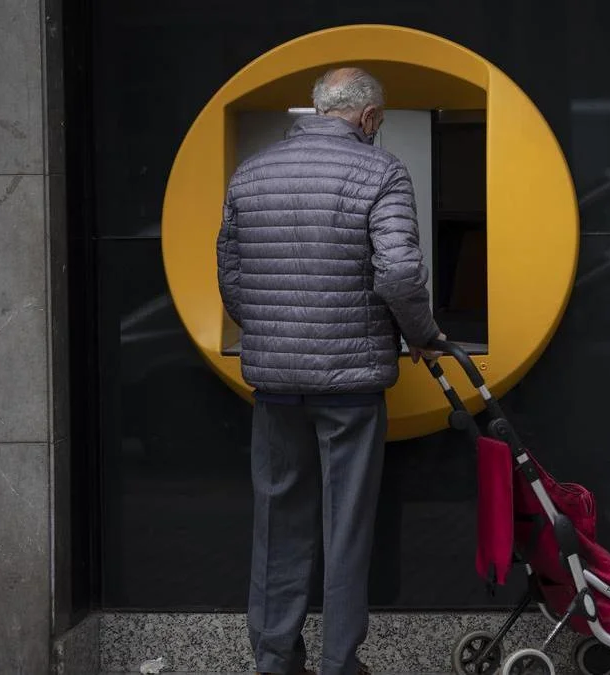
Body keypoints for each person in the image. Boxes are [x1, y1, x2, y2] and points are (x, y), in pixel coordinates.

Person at [216, 66, 444, 675]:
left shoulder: (252, 172)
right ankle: (340, 662)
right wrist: (421, 335)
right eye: (380, 120)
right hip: (351, 385)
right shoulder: (381, 170)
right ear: (368, 117)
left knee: (276, 522)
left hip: (275, 384)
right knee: (346, 526)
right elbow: (399, 273)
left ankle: (275, 660)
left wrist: (273, 333)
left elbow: (231, 277)